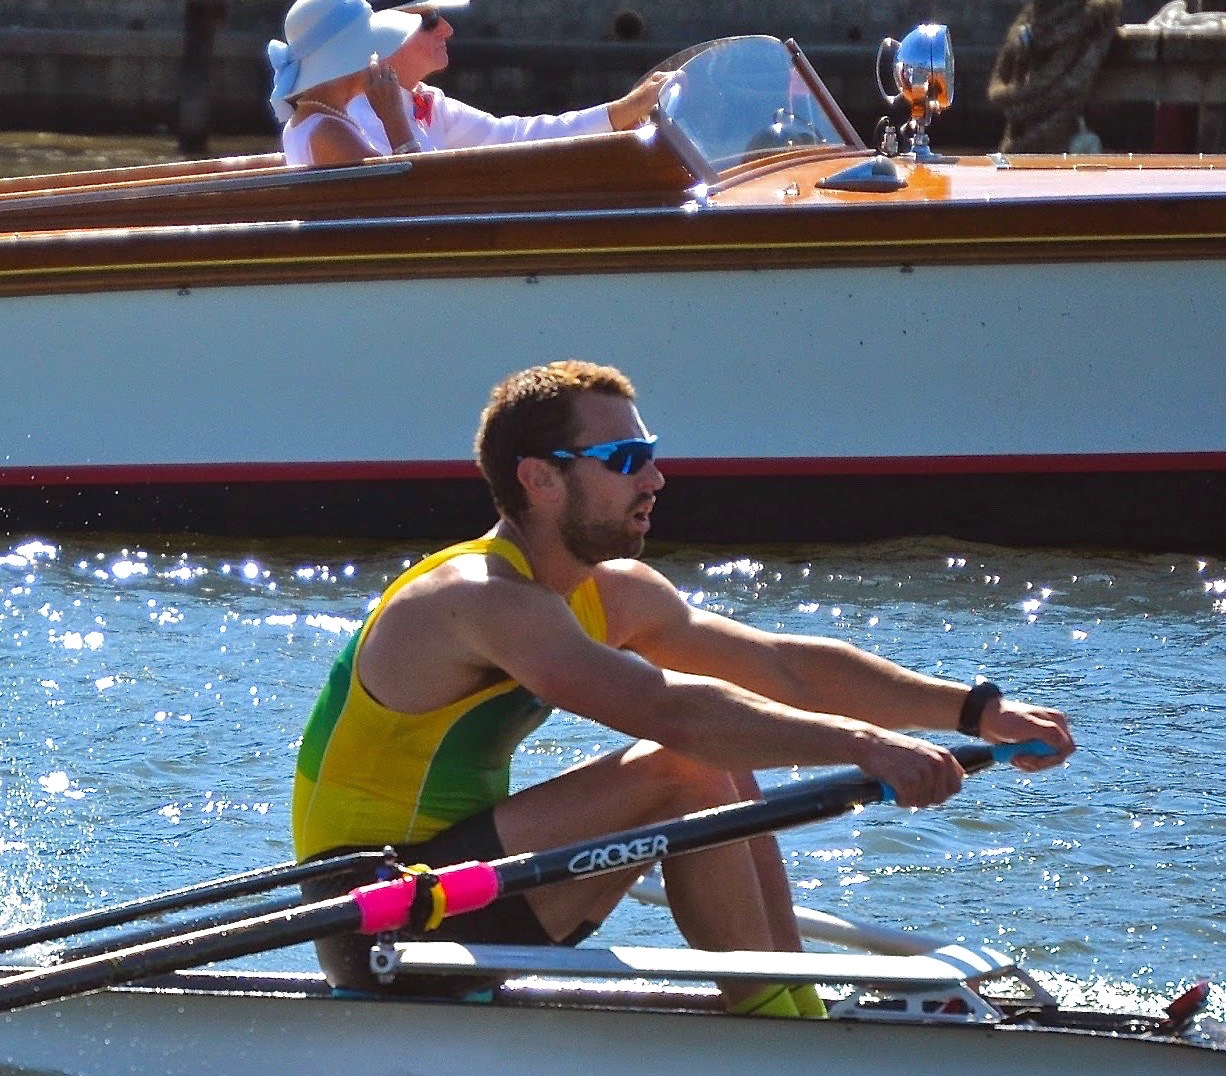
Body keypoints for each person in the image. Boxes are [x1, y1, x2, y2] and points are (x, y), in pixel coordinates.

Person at [292, 359, 1075, 1015]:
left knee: (727, 765)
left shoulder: (612, 593)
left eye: (652, 454)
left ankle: (796, 1011)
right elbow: (669, 712)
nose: (656, 478)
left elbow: (783, 667)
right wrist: (865, 746)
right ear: (540, 479)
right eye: (626, 459)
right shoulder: (479, 598)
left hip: (459, 889)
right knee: (686, 763)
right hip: (377, 911)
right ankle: (778, 1035)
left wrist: (976, 711)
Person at [335, 0, 668, 153]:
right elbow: (406, 204)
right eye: (430, 20)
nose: (447, 29)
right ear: (384, 35)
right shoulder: (352, 120)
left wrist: (623, 109)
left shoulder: (429, 102)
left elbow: (515, 135)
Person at [267, 0, 421, 167]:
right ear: (352, 55)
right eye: (372, 47)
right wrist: (393, 117)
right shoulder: (329, 131)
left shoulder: (312, 119)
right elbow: (417, 183)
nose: (380, 57)